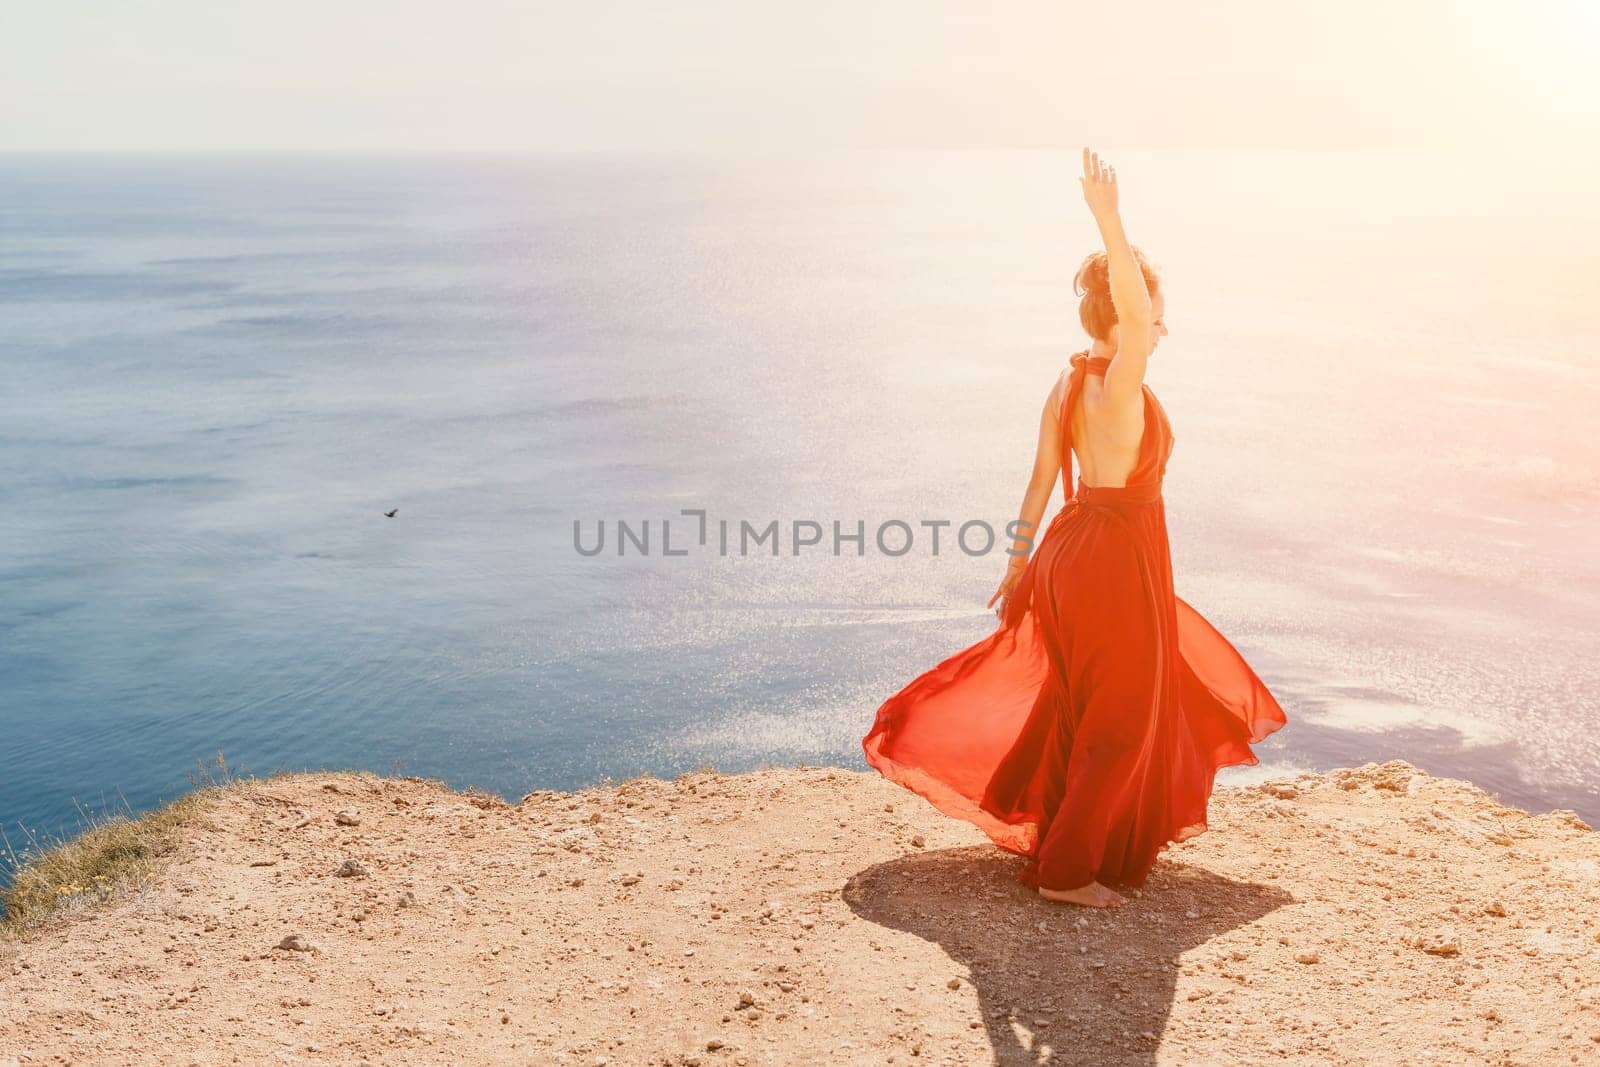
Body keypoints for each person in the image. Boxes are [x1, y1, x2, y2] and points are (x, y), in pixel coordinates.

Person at [861, 147, 1288, 908]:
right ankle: (1067, 872)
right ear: (1130, 317)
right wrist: (1109, 222)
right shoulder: (1121, 387)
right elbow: (1130, 309)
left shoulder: (1067, 382)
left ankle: (1071, 835)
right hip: (1114, 560)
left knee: (1086, 705)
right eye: (1157, 313)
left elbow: (1036, 483)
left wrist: (1018, 566)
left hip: (1067, 550)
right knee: (1120, 720)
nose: (1163, 325)